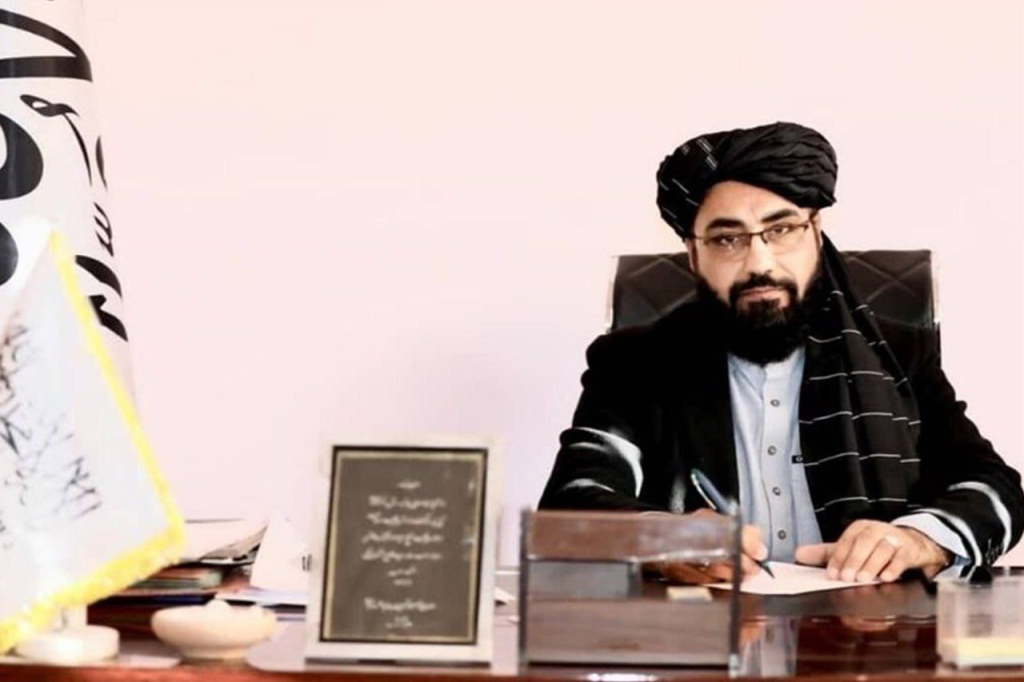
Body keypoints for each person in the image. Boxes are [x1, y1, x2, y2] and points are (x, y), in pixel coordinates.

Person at [539, 122, 1024, 584]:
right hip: (703, 628)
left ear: (816, 233)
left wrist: (921, 540)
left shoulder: (898, 354)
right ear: (694, 255)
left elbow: (995, 488)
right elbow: (570, 507)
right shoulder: (634, 363)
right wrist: (661, 539)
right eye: (727, 239)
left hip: (868, 630)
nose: (760, 263)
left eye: (782, 229)